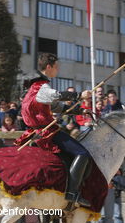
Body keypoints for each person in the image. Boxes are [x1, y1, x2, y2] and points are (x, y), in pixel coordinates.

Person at [15, 52, 92, 207]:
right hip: (46, 132)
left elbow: (55, 106)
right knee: (83, 154)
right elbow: (56, 96)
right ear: (49, 67)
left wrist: (79, 111)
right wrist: (79, 95)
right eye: (56, 67)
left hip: (35, 132)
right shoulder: (41, 87)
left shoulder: (33, 88)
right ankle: (71, 193)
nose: (58, 70)